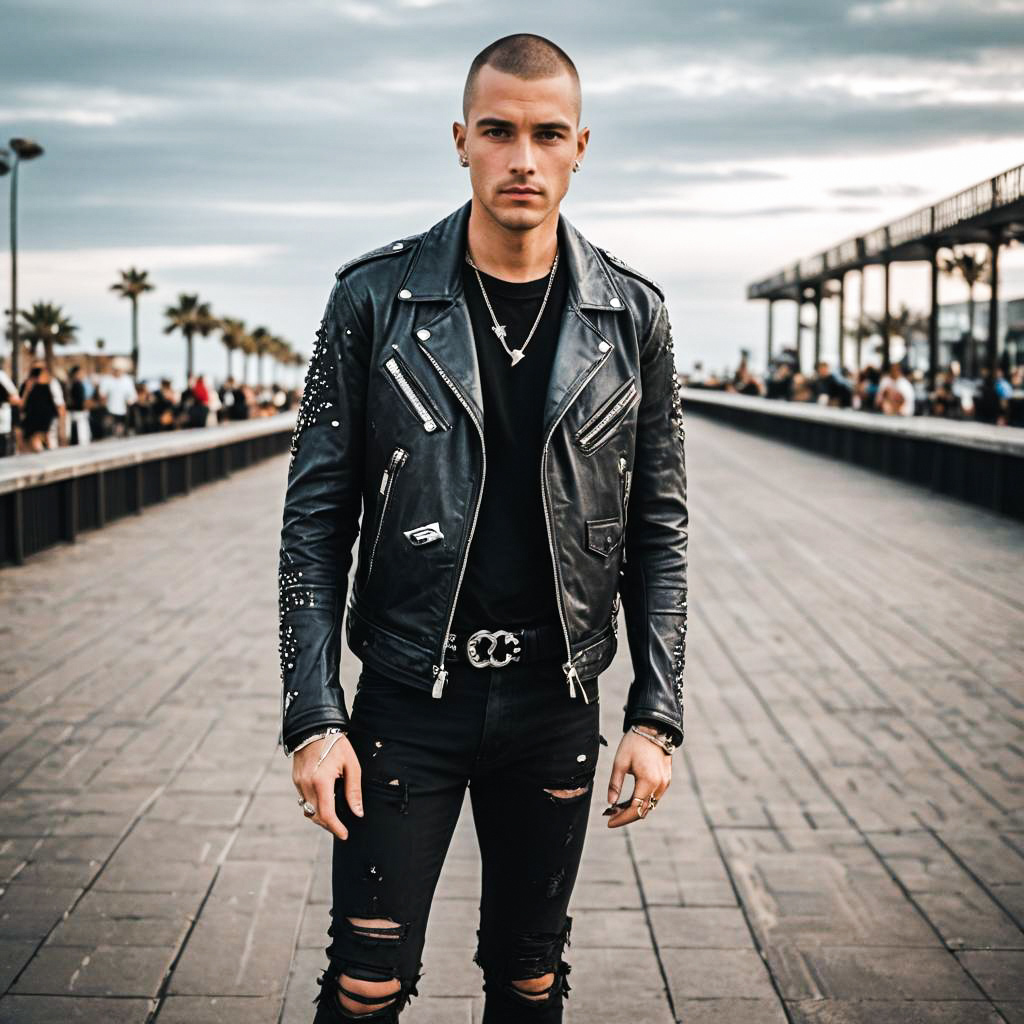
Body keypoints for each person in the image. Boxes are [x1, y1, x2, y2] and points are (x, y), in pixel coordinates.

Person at [278, 33, 688, 1024]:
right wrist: (313, 716)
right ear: (460, 140)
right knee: (366, 981)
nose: (522, 158)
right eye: (498, 132)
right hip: (410, 697)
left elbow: (657, 526)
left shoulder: (630, 315)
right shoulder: (373, 299)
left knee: (530, 976)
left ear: (580, 146)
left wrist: (654, 714)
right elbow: (316, 517)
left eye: (547, 135)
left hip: (556, 701)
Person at [18, 364, 60, 452]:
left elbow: (21, 405)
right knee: (41, 441)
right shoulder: (44, 386)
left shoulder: (41, 387)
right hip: (40, 419)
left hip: (36, 420)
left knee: (35, 441)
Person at [99, 362, 138, 438]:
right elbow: (102, 394)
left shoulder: (127, 380)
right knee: (108, 430)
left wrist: (130, 401)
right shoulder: (107, 380)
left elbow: (133, 395)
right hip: (109, 410)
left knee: (120, 431)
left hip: (122, 411)